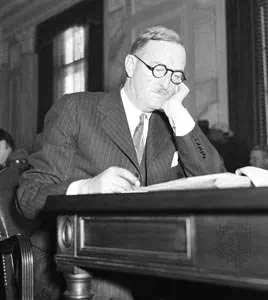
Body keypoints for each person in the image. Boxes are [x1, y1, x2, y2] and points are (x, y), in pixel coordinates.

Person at [16, 25, 225, 300]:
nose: (167, 83)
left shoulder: (172, 127)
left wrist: (177, 111)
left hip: (146, 255)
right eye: (159, 69)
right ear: (130, 65)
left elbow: (215, 180)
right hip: (69, 257)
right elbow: (28, 197)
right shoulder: (76, 109)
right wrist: (86, 187)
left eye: (176, 75)